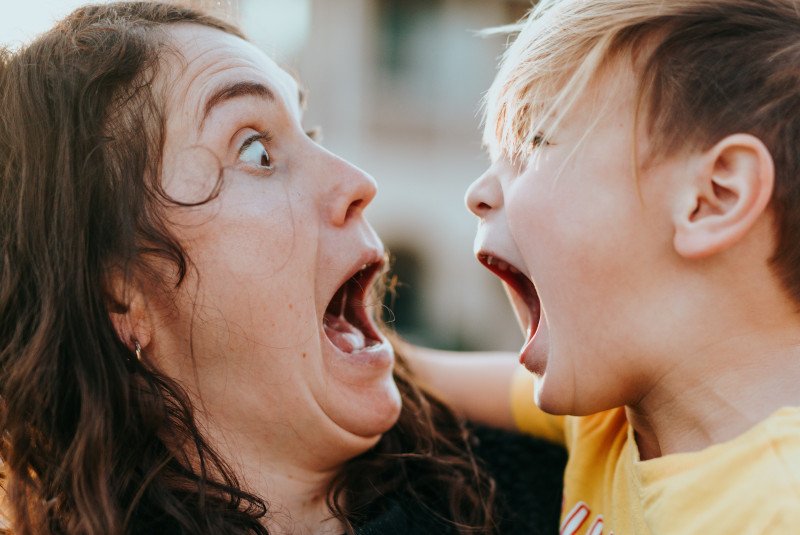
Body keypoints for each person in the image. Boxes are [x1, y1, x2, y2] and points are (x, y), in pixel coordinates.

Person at [0, 2, 566, 534]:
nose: (357, 182)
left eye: (310, 133)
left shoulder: (571, 483)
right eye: (256, 153)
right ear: (121, 297)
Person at [410, 0, 800, 533]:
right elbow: (407, 373)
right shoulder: (608, 419)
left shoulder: (777, 507)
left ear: (713, 197)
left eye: (532, 142)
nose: (476, 193)